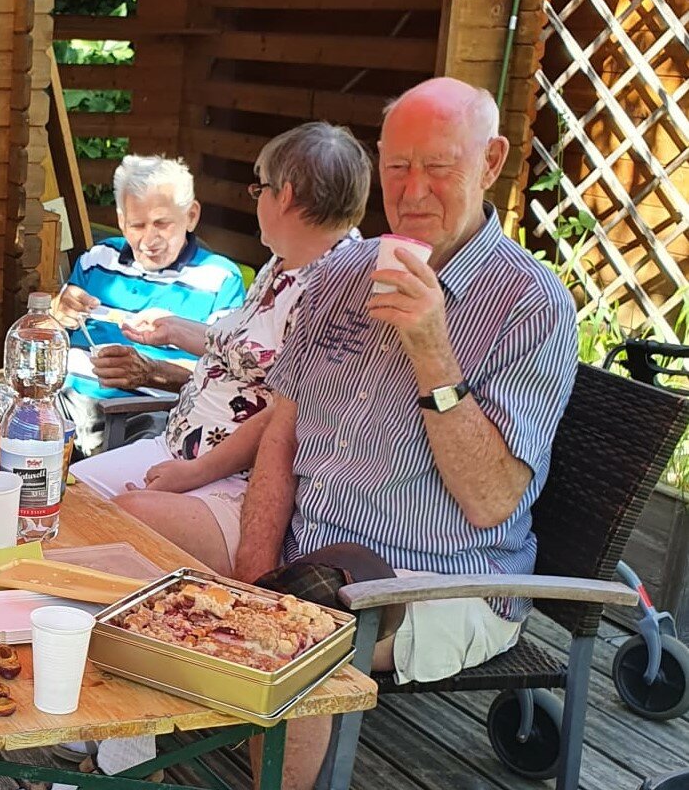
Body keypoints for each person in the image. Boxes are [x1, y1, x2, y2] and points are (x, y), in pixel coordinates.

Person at [233, 78, 577, 790]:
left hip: (444, 584)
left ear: (489, 162)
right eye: (396, 166)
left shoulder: (531, 305)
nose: (413, 190)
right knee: (142, 562)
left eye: (440, 165)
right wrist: (248, 576)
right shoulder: (342, 274)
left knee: (301, 631)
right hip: (309, 553)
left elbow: (490, 500)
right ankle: (107, 760)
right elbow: (280, 435)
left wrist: (430, 344)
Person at [72, 123, 367, 577]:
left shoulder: (336, 287)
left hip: (234, 484)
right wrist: (172, 329)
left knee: (113, 527)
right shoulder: (285, 258)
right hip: (177, 451)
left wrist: (194, 472)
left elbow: (287, 416)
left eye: (259, 187)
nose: (258, 201)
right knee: (64, 498)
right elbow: (248, 350)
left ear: (283, 196)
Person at [51, 155, 246, 455]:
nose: (148, 240)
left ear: (191, 215)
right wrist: (56, 312)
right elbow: (46, 337)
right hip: (65, 405)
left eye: (161, 224)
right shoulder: (98, 258)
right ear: (120, 221)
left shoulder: (220, 278)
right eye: (136, 225)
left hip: (149, 415)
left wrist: (153, 372)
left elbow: (226, 378)